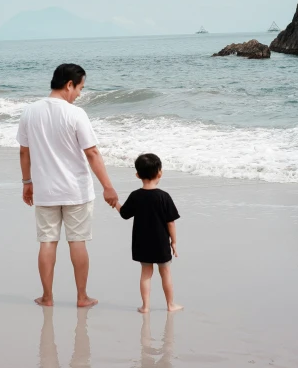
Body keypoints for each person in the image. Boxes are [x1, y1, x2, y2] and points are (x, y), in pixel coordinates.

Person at [17, 63, 119, 308]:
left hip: (44, 189)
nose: (80, 94)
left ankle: (47, 297)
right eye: (80, 88)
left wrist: (27, 182)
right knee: (77, 242)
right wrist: (108, 186)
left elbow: (24, 152)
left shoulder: (30, 111)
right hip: (76, 190)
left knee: (47, 242)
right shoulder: (75, 114)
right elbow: (92, 152)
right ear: (69, 84)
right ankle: (82, 297)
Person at [115, 153, 184, 313]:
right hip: (160, 243)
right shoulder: (164, 197)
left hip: (141, 242)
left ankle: (145, 306)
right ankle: (170, 304)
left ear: (138, 175)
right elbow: (171, 222)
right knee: (165, 272)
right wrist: (173, 242)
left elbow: (124, 213)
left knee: (146, 273)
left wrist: (115, 203)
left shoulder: (135, 195)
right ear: (160, 172)